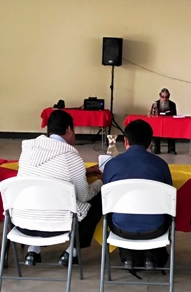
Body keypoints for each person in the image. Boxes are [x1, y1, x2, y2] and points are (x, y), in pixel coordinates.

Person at [17, 109, 103, 267]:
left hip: (23, 223)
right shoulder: (70, 157)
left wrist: (83, 171)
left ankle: (33, 250)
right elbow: (84, 196)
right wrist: (99, 182)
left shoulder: (28, 150)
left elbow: (49, 173)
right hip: (55, 225)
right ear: (69, 129)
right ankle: (71, 252)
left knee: (38, 197)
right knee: (98, 198)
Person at [102, 119, 173, 270]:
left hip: (120, 228)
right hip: (156, 228)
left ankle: (129, 256)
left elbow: (106, 197)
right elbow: (170, 199)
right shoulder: (161, 165)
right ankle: (152, 257)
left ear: (125, 141)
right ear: (150, 143)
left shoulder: (112, 164)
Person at [149, 88, 177, 155]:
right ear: (160, 96)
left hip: (169, 124)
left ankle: (171, 149)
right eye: (163, 97)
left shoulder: (172, 104)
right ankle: (156, 149)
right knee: (155, 129)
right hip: (158, 124)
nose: (164, 99)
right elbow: (152, 114)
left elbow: (174, 115)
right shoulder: (155, 104)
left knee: (172, 130)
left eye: (166, 97)